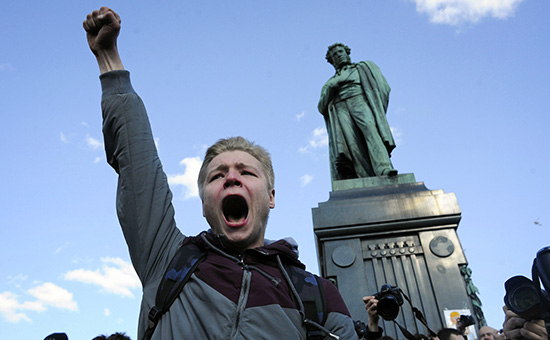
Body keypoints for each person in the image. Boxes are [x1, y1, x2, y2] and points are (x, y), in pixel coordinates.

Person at [83, 7, 358, 340]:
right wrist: (108, 57)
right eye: (217, 175)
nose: (231, 177)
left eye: (246, 172)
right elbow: (137, 163)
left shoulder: (318, 295)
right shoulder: (166, 258)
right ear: (203, 203)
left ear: (271, 197)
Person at [318, 43, 397, 181]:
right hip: (340, 107)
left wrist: (377, 109)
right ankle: (362, 176)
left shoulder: (362, 67)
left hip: (359, 100)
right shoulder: (329, 82)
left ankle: (384, 168)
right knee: (352, 144)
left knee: (371, 131)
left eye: (340, 51)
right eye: (334, 55)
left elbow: (383, 88)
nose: (338, 55)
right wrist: (332, 88)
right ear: (331, 61)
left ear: (347, 53)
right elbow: (321, 106)